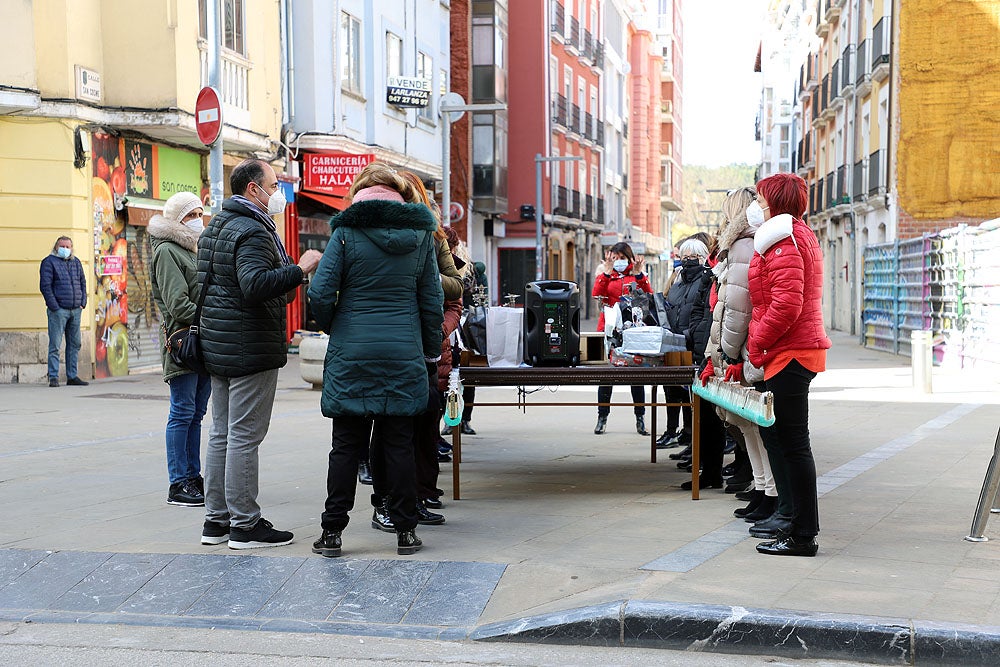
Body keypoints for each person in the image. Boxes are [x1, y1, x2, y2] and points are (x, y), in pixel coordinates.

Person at [309, 162, 444, 558]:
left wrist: (339, 328)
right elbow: (431, 301)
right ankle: (405, 531)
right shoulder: (420, 236)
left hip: (352, 352)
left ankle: (332, 532)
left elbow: (320, 292)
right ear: (400, 194)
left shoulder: (346, 232)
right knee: (398, 443)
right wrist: (428, 350)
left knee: (346, 445)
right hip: (403, 352)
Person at [197, 159, 323, 550]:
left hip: (220, 343)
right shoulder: (252, 230)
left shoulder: (218, 224)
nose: (278, 193)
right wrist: (300, 270)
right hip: (247, 344)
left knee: (221, 432)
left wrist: (285, 277)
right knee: (243, 435)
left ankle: (216, 521)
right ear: (254, 189)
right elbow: (253, 284)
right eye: (273, 185)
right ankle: (245, 525)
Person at [745, 173, 831, 557]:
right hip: (791, 350)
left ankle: (802, 535)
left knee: (794, 445)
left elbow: (785, 305)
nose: (757, 206)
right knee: (785, 441)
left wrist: (756, 341)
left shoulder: (783, 241)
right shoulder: (791, 235)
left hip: (791, 352)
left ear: (774, 202)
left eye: (762, 199)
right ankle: (795, 525)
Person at [699, 187, 777, 516]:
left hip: (742, 351)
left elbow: (738, 306)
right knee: (746, 425)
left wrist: (728, 354)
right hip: (737, 349)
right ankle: (762, 488)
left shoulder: (744, 245)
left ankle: (769, 491)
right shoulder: (740, 244)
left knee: (753, 424)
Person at [149, 192, 211, 507]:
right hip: (184, 342)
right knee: (182, 412)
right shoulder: (168, 251)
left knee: (196, 414)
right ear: (177, 219)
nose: (198, 220)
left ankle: (193, 475)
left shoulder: (193, 249)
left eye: (200, 213)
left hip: (202, 342)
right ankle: (178, 482)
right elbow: (177, 303)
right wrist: (212, 318)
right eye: (191, 215)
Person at [658, 237, 712, 456]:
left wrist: (690, 335)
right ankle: (685, 438)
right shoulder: (678, 282)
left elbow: (701, 313)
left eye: (694, 257)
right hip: (675, 344)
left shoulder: (706, 281)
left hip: (693, 345)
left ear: (703, 258)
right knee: (673, 391)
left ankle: (694, 443)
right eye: (685, 257)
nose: (689, 261)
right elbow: (671, 306)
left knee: (693, 397)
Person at [592, 241, 652, 436]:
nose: (618, 262)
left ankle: (640, 418)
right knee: (606, 376)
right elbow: (596, 294)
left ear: (629, 258)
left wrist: (639, 274)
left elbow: (648, 295)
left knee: (636, 376)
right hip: (609, 330)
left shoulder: (635, 275)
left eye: (622, 258)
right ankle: (602, 417)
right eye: (615, 258)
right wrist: (607, 273)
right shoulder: (606, 275)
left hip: (632, 329)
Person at [39, 236, 89, 387]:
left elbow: (82, 282)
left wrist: (83, 302)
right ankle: (53, 376)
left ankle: (72, 376)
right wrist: (55, 306)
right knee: (55, 344)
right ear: (56, 247)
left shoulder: (76, 262)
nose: (65, 249)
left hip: (75, 309)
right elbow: (45, 286)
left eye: (68, 246)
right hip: (59, 310)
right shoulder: (48, 262)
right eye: (62, 246)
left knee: (75, 344)